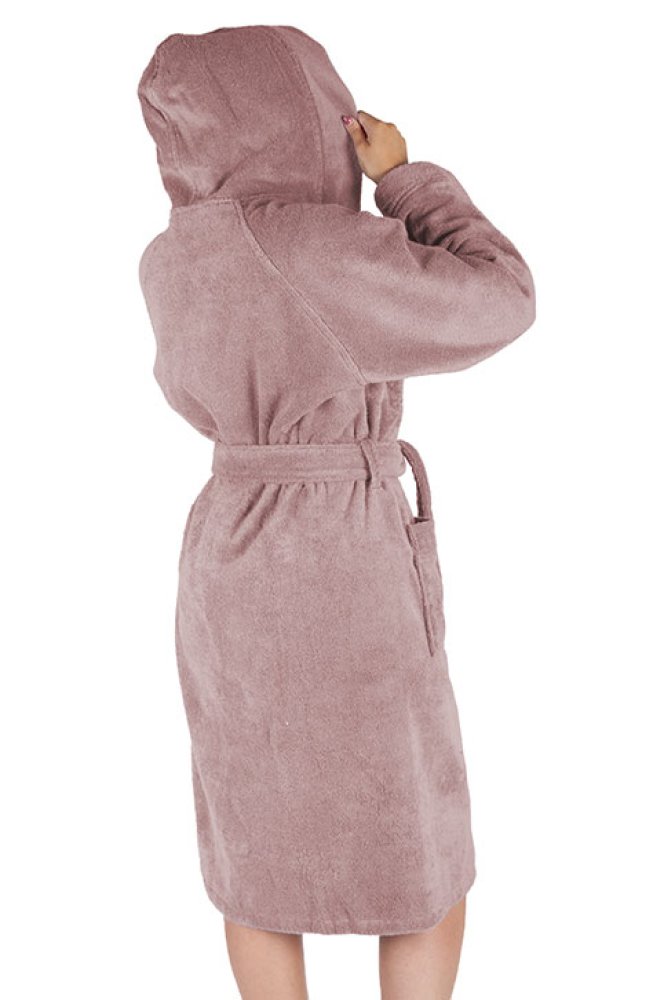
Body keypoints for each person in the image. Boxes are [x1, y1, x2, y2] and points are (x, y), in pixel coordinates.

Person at [137, 24, 535, 1000]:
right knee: (419, 861)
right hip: (338, 559)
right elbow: (501, 298)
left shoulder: (170, 259)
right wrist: (403, 181)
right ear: (308, 120)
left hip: (226, 556)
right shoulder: (314, 248)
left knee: (257, 851)